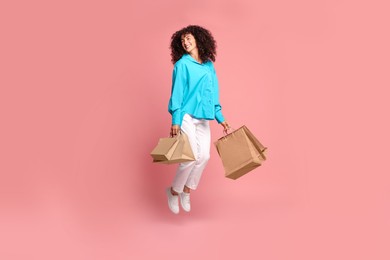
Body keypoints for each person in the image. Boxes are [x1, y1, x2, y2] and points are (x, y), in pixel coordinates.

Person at [166, 25, 229, 214]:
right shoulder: (182, 65)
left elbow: (213, 94)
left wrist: (220, 118)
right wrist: (176, 120)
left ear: (198, 39)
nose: (185, 42)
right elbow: (177, 94)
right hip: (185, 114)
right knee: (190, 156)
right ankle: (173, 191)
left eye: (188, 38)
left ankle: (186, 190)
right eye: (182, 40)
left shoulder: (209, 65)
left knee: (204, 156)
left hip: (203, 116)